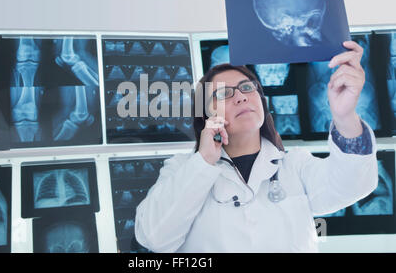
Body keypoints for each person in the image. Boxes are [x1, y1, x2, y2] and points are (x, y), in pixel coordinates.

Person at [134, 41, 378, 252]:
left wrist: (345, 116)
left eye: (247, 87)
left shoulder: (295, 166)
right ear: (207, 113)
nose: (241, 96)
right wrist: (204, 161)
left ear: (261, 100)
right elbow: (155, 237)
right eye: (224, 94)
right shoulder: (181, 169)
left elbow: (353, 184)